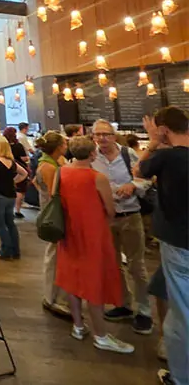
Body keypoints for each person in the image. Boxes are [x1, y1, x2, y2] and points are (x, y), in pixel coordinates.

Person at [57, 136, 133, 354]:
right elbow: (110, 209)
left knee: (73, 278)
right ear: (93, 154)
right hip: (93, 233)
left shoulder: (62, 172)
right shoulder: (97, 177)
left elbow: (56, 199)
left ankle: (78, 326)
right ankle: (101, 335)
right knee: (93, 281)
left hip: (69, 231)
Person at [136, 107, 189, 384]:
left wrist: (153, 142)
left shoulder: (167, 157)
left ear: (164, 130)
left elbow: (139, 170)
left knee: (181, 315)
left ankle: (180, 378)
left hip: (179, 243)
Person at [90, 119, 153, 334]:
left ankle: (144, 310)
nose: (102, 138)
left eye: (106, 134)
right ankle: (124, 303)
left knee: (136, 265)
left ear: (113, 135)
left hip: (130, 215)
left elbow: (146, 178)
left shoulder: (128, 154)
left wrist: (132, 185)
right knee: (113, 264)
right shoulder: (92, 157)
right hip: (105, 218)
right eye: (98, 134)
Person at [33, 131, 72, 319]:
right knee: (54, 256)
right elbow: (53, 193)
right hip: (53, 217)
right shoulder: (49, 167)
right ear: (58, 147)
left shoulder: (48, 162)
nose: (67, 146)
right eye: (64, 144)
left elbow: (35, 182)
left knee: (54, 255)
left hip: (49, 213)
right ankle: (52, 298)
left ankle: (54, 296)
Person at [3, 127, 30, 219]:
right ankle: (17, 210)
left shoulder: (4, 145)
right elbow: (24, 158)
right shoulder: (18, 146)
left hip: (7, 169)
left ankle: (8, 210)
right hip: (19, 168)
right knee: (20, 190)